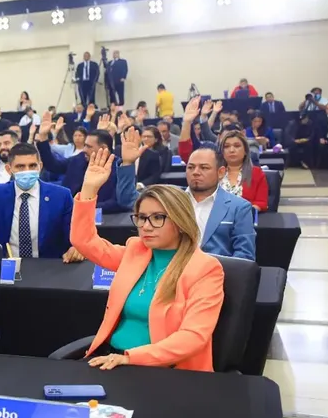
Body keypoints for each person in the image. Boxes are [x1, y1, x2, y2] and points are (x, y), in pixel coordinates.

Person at [69, 150, 225, 372]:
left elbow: (193, 336)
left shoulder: (205, 269)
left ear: (181, 221)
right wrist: (89, 190)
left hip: (165, 369)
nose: (146, 226)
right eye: (142, 218)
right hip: (113, 357)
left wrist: (130, 358)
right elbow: (83, 241)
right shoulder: (136, 250)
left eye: (158, 218)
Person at [0, 143, 81, 262]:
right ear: (9, 169)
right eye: (20, 166)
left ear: (40, 166)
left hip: (48, 268)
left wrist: (75, 248)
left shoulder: (61, 196)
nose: (27, 171)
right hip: (6, 267)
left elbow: (73, 236)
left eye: (32, 166)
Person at [35, 112, 127, 213]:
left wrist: (83, 206)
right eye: (85, 145)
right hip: (71, 214)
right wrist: (43, 137)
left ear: (104, 148)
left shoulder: (119, 167)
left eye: (89, 147)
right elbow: (53, 165)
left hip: (104, 218)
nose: (84, 150)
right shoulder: (79, 159)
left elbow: (119, 202)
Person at [185, 146, 256, 260]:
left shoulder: (239, 207)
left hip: (219, 269)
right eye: (191, 167)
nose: (195, 172)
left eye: (204, 167)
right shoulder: (170, 202)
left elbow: (244, 256)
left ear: (221, 172)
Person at [219, 131, 269, 212]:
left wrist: (245, 211)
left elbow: (262, 203)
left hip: (245, 216)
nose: (231, 150)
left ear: (245, 151)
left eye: (237, 146)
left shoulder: (257, 173)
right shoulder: (214, 173)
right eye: (226, 146)